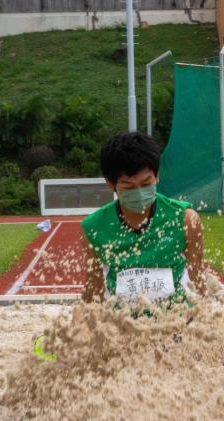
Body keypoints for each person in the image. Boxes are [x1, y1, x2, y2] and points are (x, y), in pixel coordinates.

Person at [77, 132, 207, 316]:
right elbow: (94, 291)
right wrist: (78, 324)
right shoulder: (94, 228)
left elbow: (198, 281)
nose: (139, 193)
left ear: (157, 176)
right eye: (129, 187)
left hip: (176, 321)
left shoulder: (185, 219)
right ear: (110, 184)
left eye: (146, 183)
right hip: (124, 324)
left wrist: (205, 321)